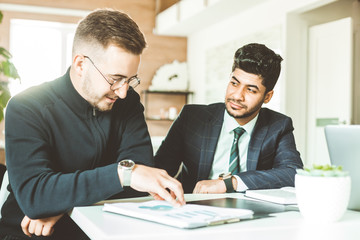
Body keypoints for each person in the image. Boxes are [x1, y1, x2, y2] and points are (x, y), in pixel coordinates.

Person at [0, 9, 185, 240]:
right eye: (115, 78)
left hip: (98, 225)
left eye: (130, 80)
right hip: (29, 231)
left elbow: (141, 177)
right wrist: (122, 174)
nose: (124, 91)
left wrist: (63, 205)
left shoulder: (128, 103)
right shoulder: (27, 106)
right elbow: (36, 196)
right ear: (80, 65)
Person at [155, 43, 303, 194]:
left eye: (251, 90)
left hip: (251, 212)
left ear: (267, 96)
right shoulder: (192, 118)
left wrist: (231, 183)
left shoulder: (278, 126)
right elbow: (158, 170)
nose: (237, 96)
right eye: (234, 83)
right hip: (195, 207)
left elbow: (293, 173)